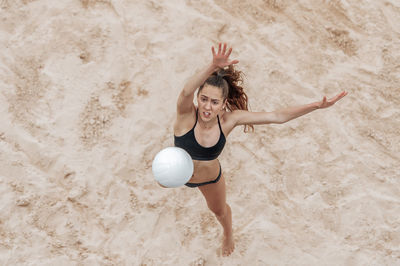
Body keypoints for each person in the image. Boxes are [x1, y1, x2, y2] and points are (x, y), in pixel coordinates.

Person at [160, 43, 347, 256]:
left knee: (219, 211)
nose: (207, 107)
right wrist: (212, 65)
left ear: (223, 104)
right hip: (174, 170)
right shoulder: (186, 114)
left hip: (208, 178)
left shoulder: (230, 120)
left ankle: (228, 233)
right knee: (161, 180)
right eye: (203, 99)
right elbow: (186, 91)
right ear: (197, 98)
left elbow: (277, 117)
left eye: (214, 102)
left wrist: (315, 106)